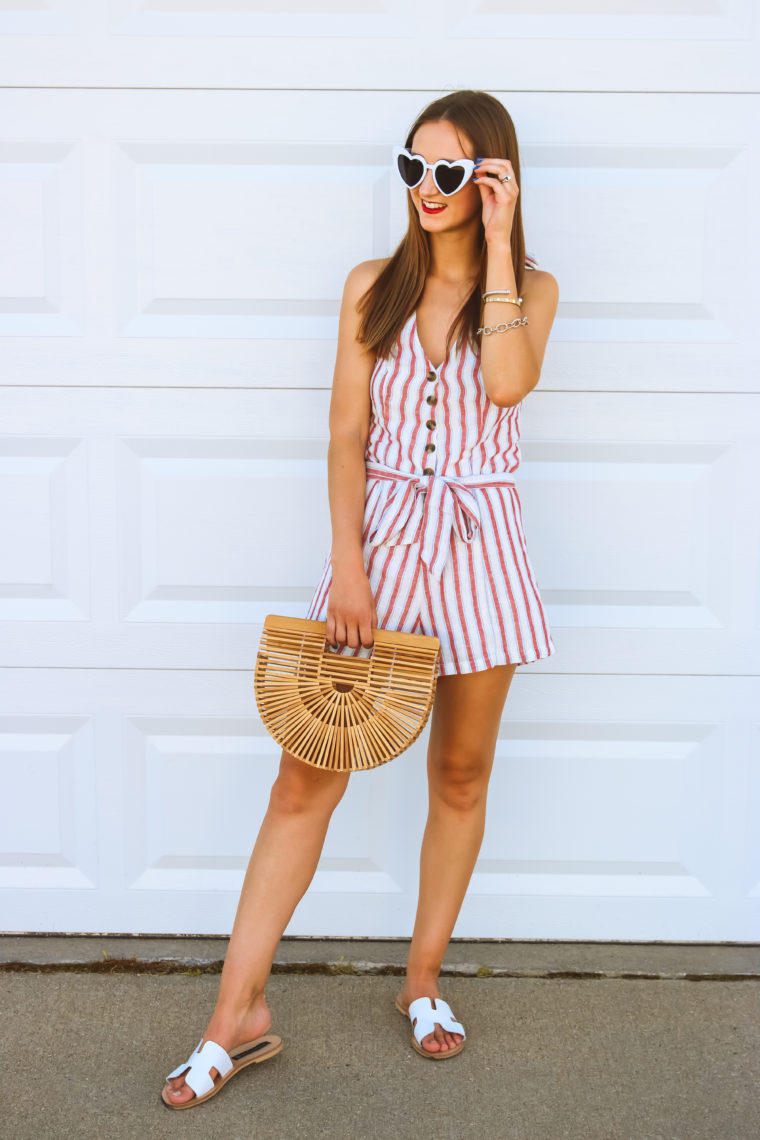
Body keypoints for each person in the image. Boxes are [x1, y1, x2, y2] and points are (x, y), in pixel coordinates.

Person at [162, 88, 558, 1109]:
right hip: (378, 549)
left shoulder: (532, 289)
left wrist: (504, 241)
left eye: (450, 172)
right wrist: (347, 561)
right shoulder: (369, 286)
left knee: (460, 774)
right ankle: (232, 1017)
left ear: (492, 179)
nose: (426, 190)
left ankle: (420, 982)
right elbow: (345, 435)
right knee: (305, 779)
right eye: (411, 169)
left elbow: (507, 385)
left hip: (481, 553)